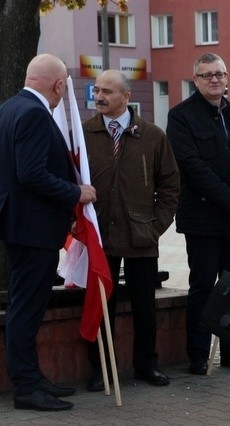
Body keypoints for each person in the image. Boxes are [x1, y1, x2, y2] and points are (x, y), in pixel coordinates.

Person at [0, 53, 97, 411]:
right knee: (26, 308)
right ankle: (26, 386)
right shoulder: (34, 114)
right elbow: (31, 174)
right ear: (59, 85)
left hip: (23, 225)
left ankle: (33, 377)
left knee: (27, 305)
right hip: (32, 228)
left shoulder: (10, 107)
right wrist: (76, 192)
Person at [83, 70, 180, 389]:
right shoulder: (84, 133)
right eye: (97, 90)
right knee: (101, 304)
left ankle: (146, 365)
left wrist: (155, 227)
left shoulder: (152, 135)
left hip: (140, 235)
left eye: (107, 91)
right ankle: (101, 369)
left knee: (144, 306)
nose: (99, 97)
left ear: (126, 97)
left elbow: (170, 185)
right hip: (100, 235)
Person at [166, 53, 230, 375]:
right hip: (204, 217)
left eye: (219, 74)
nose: (215, 80)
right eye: (207, 75)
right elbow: (193, 167)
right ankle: (198, 353)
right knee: (204, 286)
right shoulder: (181, 116)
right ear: (196, 80)